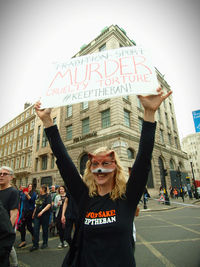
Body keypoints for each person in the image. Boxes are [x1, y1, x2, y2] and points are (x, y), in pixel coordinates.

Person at [35, 87, 172, 267]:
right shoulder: (85, 198)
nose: (100, 169)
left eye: (106, 163)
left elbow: (144, 157)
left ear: (115, 168)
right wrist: (47, 121)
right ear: (90, 169)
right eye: (95, 164)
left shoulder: (127, 198)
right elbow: (63, 159)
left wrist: (149, 113)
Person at [0, 166, 19, 267]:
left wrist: (7, 233)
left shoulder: (13, 192)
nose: (1, 176)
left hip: (3, 232)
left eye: (5, 174)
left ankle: (15, 264)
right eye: (0, 174)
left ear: (11, 177)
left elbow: (14, 214)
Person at [30, 184, 52, 252]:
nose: (39, 189)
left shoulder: (48, 196)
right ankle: (35, 245)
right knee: (35, 229)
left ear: (43, 189)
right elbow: (36, 205)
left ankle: (45, 243)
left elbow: (49, 205)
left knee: (45, 229)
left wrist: (42, 212)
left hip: (45, 215)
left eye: (40, 188)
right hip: (37, 215)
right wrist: (34, 213)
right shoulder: (38, 196)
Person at [18, 183, 36, 248]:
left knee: (29, 226)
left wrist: (27, 195)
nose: (29, 188)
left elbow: (32, 201)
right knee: (22, 226)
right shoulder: (23, 193)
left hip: (30, 212)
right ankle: (23, 241)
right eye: (29, 186)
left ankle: (34, 235)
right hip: (24, 212)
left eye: (31, 187)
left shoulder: (33, 193)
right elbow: (21, 200)